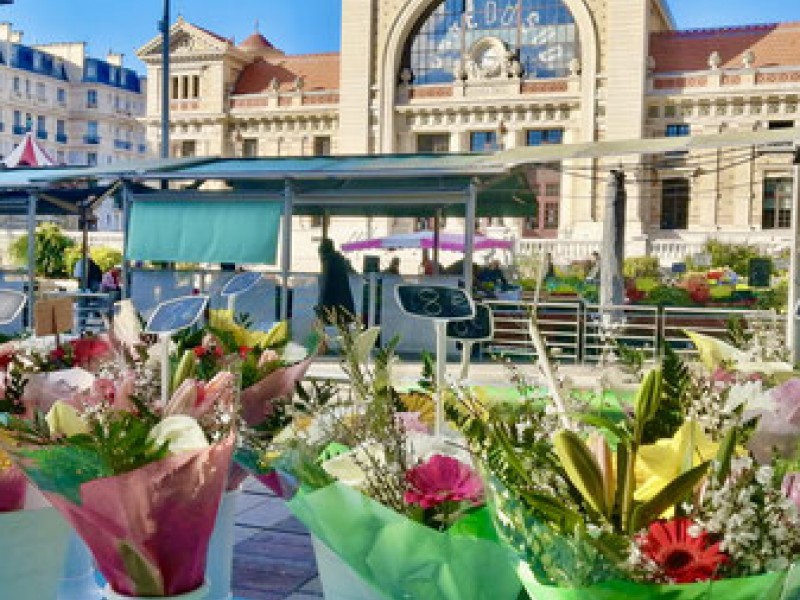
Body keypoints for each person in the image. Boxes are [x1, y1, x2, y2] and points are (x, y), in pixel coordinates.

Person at [316, 238, 356, 325]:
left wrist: (320, 305)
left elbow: (325, 284)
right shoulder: (339, 259)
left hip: (333, 303)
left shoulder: (328, 261)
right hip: (343, 302)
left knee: (325, 329)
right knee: (343, 328)